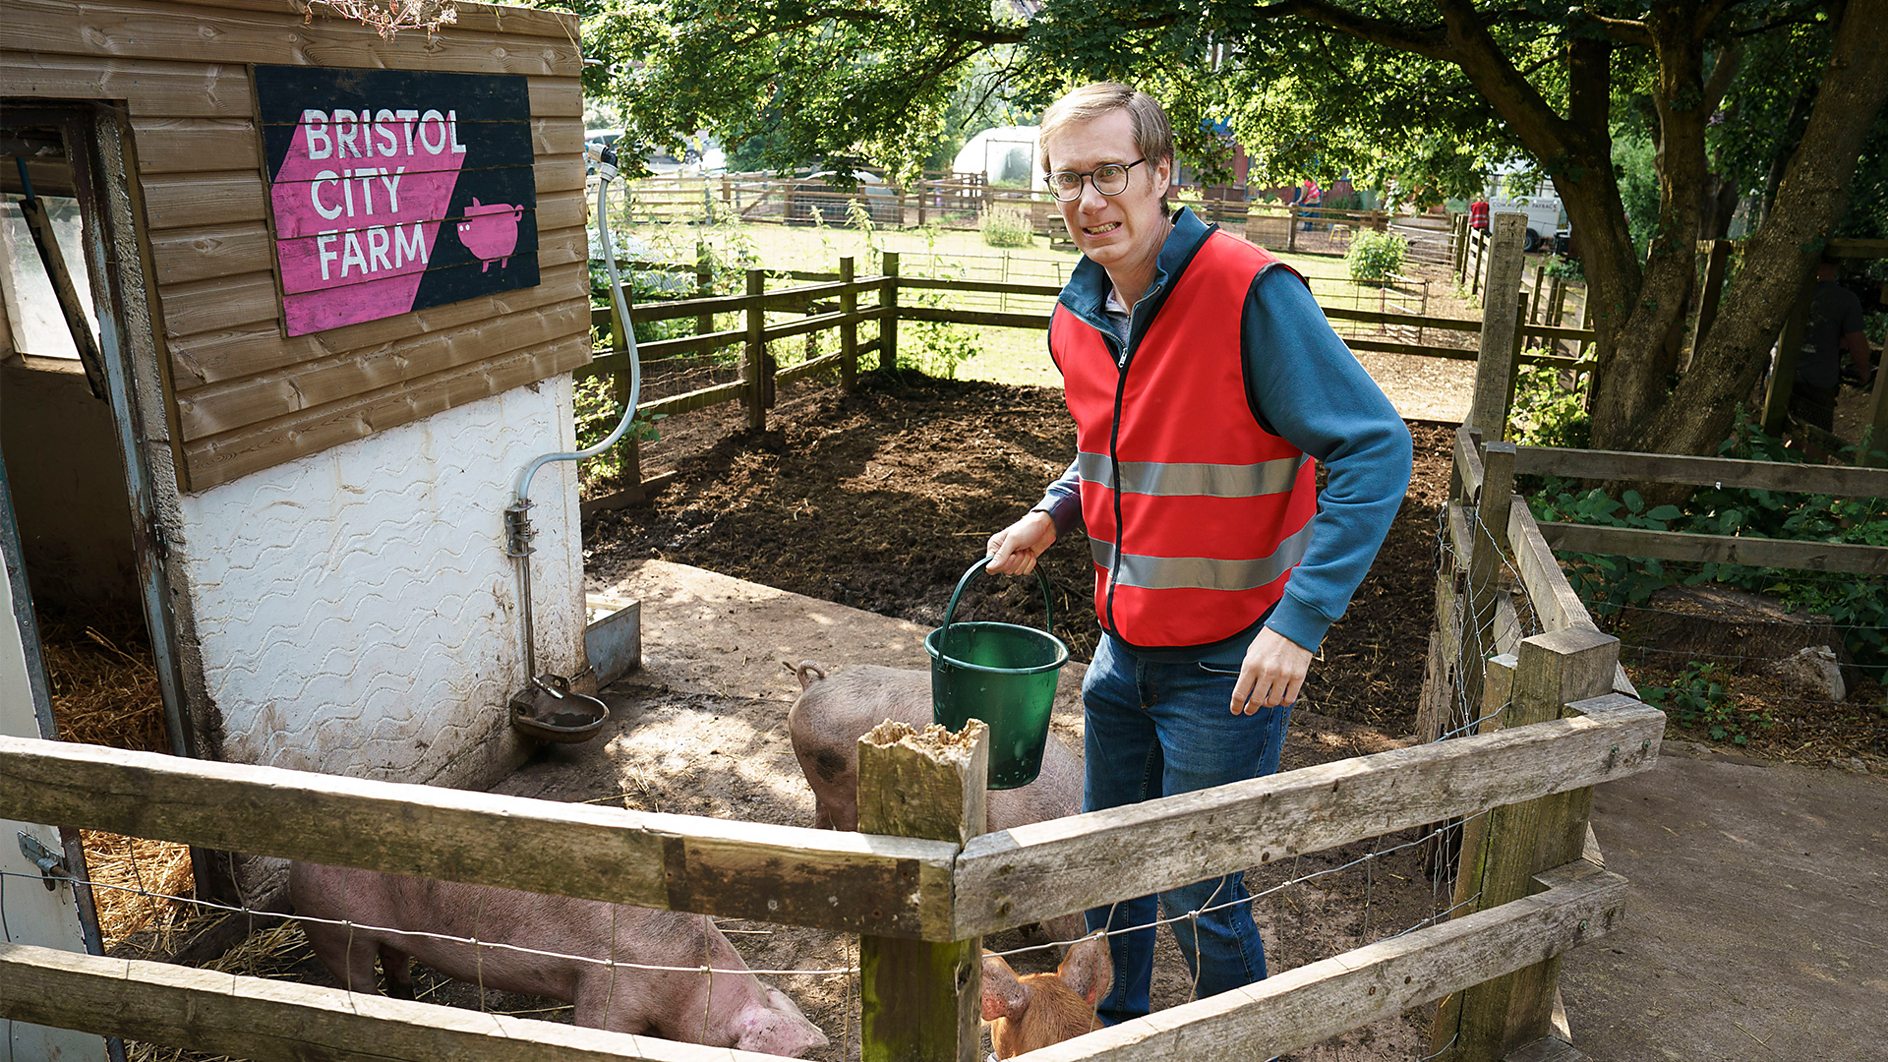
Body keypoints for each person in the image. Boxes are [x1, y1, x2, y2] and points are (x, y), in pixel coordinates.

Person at [984, 83, 1412, 1025]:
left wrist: (1299, 622)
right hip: (1121, 646)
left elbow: (1377, 448)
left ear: (1163, 174)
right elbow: (1122, 441)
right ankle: (1118, 1031)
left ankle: (1229, 1039)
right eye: (1068, 180)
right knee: (1109, 869)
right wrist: (1054, 512)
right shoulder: (1081, 311)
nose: (1090, 201)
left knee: (1200, 889)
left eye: (1110, 173)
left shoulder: (1248, 291)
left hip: (1229, 659)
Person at [1791, 255, 1874, 435]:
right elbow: (1856, 343)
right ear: (1837, 264)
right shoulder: (1845, 299)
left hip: (1784, 373)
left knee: (1794, 432)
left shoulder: (1793, 289)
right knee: (1819, 440)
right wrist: (1864, 371)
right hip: (1818, 381)